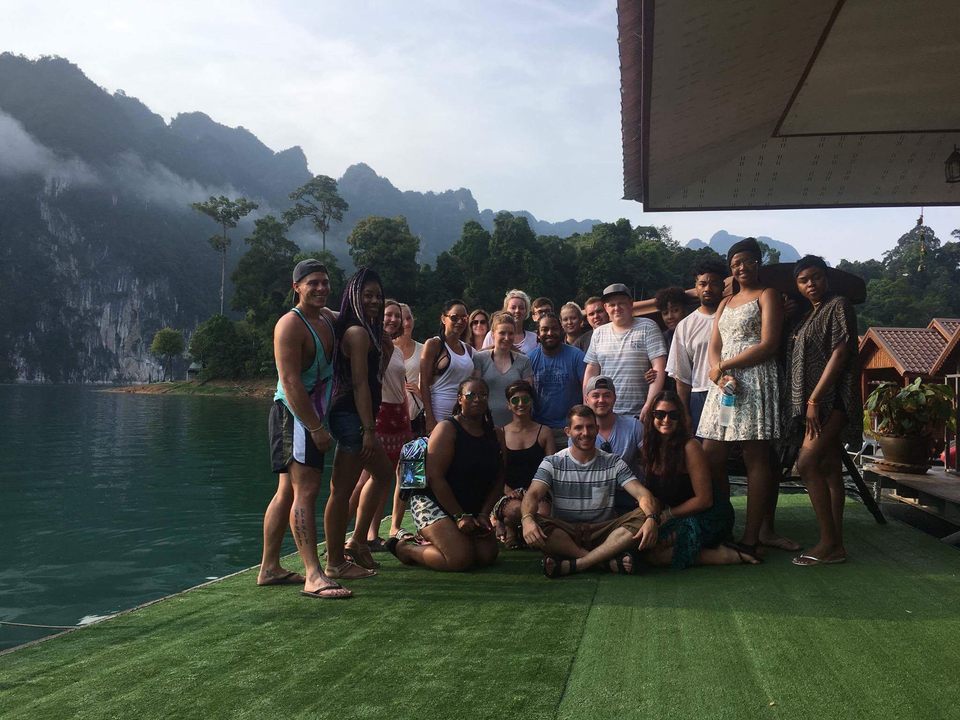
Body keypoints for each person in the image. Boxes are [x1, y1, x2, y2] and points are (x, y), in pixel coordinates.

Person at [697, 238, 797, 557]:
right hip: (725, 385)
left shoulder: (767, 295)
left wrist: (726, 365)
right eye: (736, 263)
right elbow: (715, 344)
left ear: (757, 263)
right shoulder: (726, 302)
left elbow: (769, 344)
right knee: (711, 453)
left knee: (756, 457)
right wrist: (717, 370)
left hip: (755, 379)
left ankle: (753, 536)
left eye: (747, 261)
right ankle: (723, 524)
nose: (741, 267)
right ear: (731, 269)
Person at [261, 259, 351, 599]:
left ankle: (270, 568)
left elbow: (356, 322)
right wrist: (315, 428)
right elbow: (290, 380)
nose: (320, 288)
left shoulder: (328, 318)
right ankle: (314, 574)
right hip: (295, 415)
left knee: (287, 491)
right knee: (307, 492)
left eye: (325, 282)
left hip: (311, 415)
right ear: (296, 287)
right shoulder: (291, 325)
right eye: (312, 282)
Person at [520, 405, 660, 577]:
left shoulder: (613, 462)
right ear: (568, 431)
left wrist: (651, 518)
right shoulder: (552, 462)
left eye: (590, 427)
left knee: (642, 515)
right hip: (566, 533)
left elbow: (642, 494)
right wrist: (527, 520)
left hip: (604, 532)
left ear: (597, 429)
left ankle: (577, 563)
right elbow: (532, 494)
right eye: (578, 427)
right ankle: (604, 562)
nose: (585, 433)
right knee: (532, 518)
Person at [784, 255, 861, 567]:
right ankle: (837, 546)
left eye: (815, 277)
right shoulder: (806, 317)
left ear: (825, 278)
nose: (810, 284)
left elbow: (841, 352)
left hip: (834, 400)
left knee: (807, 462)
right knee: (829, 467)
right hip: (813, 404)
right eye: (803, 280)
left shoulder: (838, 305)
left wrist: (815, 399)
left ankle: (828, 541)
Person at [324, 268, 399, 583]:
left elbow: (375, 376)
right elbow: (358, 386)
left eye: (377, 295)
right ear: (354, 297)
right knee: (341, 490)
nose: (374, 300)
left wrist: (386, 347)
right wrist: (369, 430)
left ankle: (356, 541)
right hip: (350, 415)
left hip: (360, 415)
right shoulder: (355, 333)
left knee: (383, 475)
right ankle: (335, 562)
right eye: (367, 295)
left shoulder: (370, 333)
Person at [387, 378, 504, 572]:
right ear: (460, 399)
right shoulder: (447, 429)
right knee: (460, 558)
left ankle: (449, 536)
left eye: (483, 395)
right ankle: (406, 549)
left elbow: (499, 477)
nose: (477, 399)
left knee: (486, 556)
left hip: (472, 506)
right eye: (471, 395)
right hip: (434, 502)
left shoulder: (496, 433)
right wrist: (459, 517)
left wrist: (484, 514)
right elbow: (435, 478)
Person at [639, 392, 760, 568]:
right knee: (646, 550)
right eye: (660, 414)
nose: (666, 419)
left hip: (709, 515)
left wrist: (668, 515)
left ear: (680, 418)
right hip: (679, 515)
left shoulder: (690, 447)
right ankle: (713, 552)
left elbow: (704, 500)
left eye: (673, 414)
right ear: (652, 416)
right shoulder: (650, 448)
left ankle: (725, 556)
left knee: (653, 556)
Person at [348, 300, 412, 551]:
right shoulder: (370, 344)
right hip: (379, 415)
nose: (393, 320)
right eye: (388, 314)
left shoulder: (394, 348)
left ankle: (371, 534)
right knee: (365, 479)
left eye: (398, 316)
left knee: (385, 479)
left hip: (399, 418)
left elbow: (400, 387)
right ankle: (346, 534)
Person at [584, 283, 667, 422]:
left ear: (630, 303)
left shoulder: (648, 327)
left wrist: (649, 405)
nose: (616, 308)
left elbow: (659, 367)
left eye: (621, 303)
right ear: (606, 308)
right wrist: (587, 406)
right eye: (612, 305)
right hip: (606, 415)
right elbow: (591, 372)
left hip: (639, 414)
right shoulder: (599, 333)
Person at [666, 258, 727, 432]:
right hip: (701, 395)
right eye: (702, 284)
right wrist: (685, 413)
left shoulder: (734, 316)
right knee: (705, 451)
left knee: (735, 447)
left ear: (723, 286)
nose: (708, 288)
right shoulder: (685, 326)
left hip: (731, 393)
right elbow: (682, 375)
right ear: (696, 287)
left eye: (714, 283)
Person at [494, 380, 557, 548]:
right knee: (515, 510)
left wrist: (535, 491)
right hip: (510, 494)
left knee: (541, 514)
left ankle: (524, 532)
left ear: (532, 402)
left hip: (538, 491)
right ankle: (510, 526)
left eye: (525, 399)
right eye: (515, 400)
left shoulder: (544, 432)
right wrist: (507, 490)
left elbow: (551, 468)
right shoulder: (501, 433)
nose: (520, 404)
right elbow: (497, 469)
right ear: (508, 405)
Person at [578, 375, 644, 516]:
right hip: (594, 496)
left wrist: (646, 494)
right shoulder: (579, 433)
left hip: (629, 495)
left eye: (607, 395)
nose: (601, 400)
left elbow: (649, 464)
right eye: (596, 396)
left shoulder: (634, 426)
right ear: (587, 400)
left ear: (615, 398)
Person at [387, 302, 424, 542]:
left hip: (416, 420)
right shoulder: (385, 349)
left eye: (409, 318)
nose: (406, 323)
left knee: (412, 475)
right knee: (382, 475)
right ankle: (391, 525)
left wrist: (420, 391)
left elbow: (430, 384)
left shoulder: (424, 349)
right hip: (392, 420)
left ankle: (415, 524)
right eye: (402, 318)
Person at [527, 312, 587, 447]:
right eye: (545, 329)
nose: (550, 333)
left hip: (570, 428)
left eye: (554, 328)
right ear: (538, 334)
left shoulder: (576, 356)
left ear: (561, 331)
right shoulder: (529, 359)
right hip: (539, 428)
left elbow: (586, 392)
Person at [421, 299, 476, 435]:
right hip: (439, 413)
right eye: (454, 317)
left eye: (464, 318)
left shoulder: (468, 349)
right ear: (443, 319)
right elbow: (423, 382)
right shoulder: (434, 345)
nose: (459, 322)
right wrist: (429, 417)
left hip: (463, 415)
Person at [472, 312, 533, 427]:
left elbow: (527, 396)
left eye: (510, 333)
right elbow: (476, 391)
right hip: (486, 424)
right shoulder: (480, 358)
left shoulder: (524, 361)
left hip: (516, 425)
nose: (506, 338)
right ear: (493, 334)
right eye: (502, 333)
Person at [482, 289, 538, 354]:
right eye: (513, 308)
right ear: (506, 310)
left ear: (526, 312)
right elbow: (483, 358)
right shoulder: (492, 335)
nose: (517, 311)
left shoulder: (533, 338)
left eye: (521, 308)